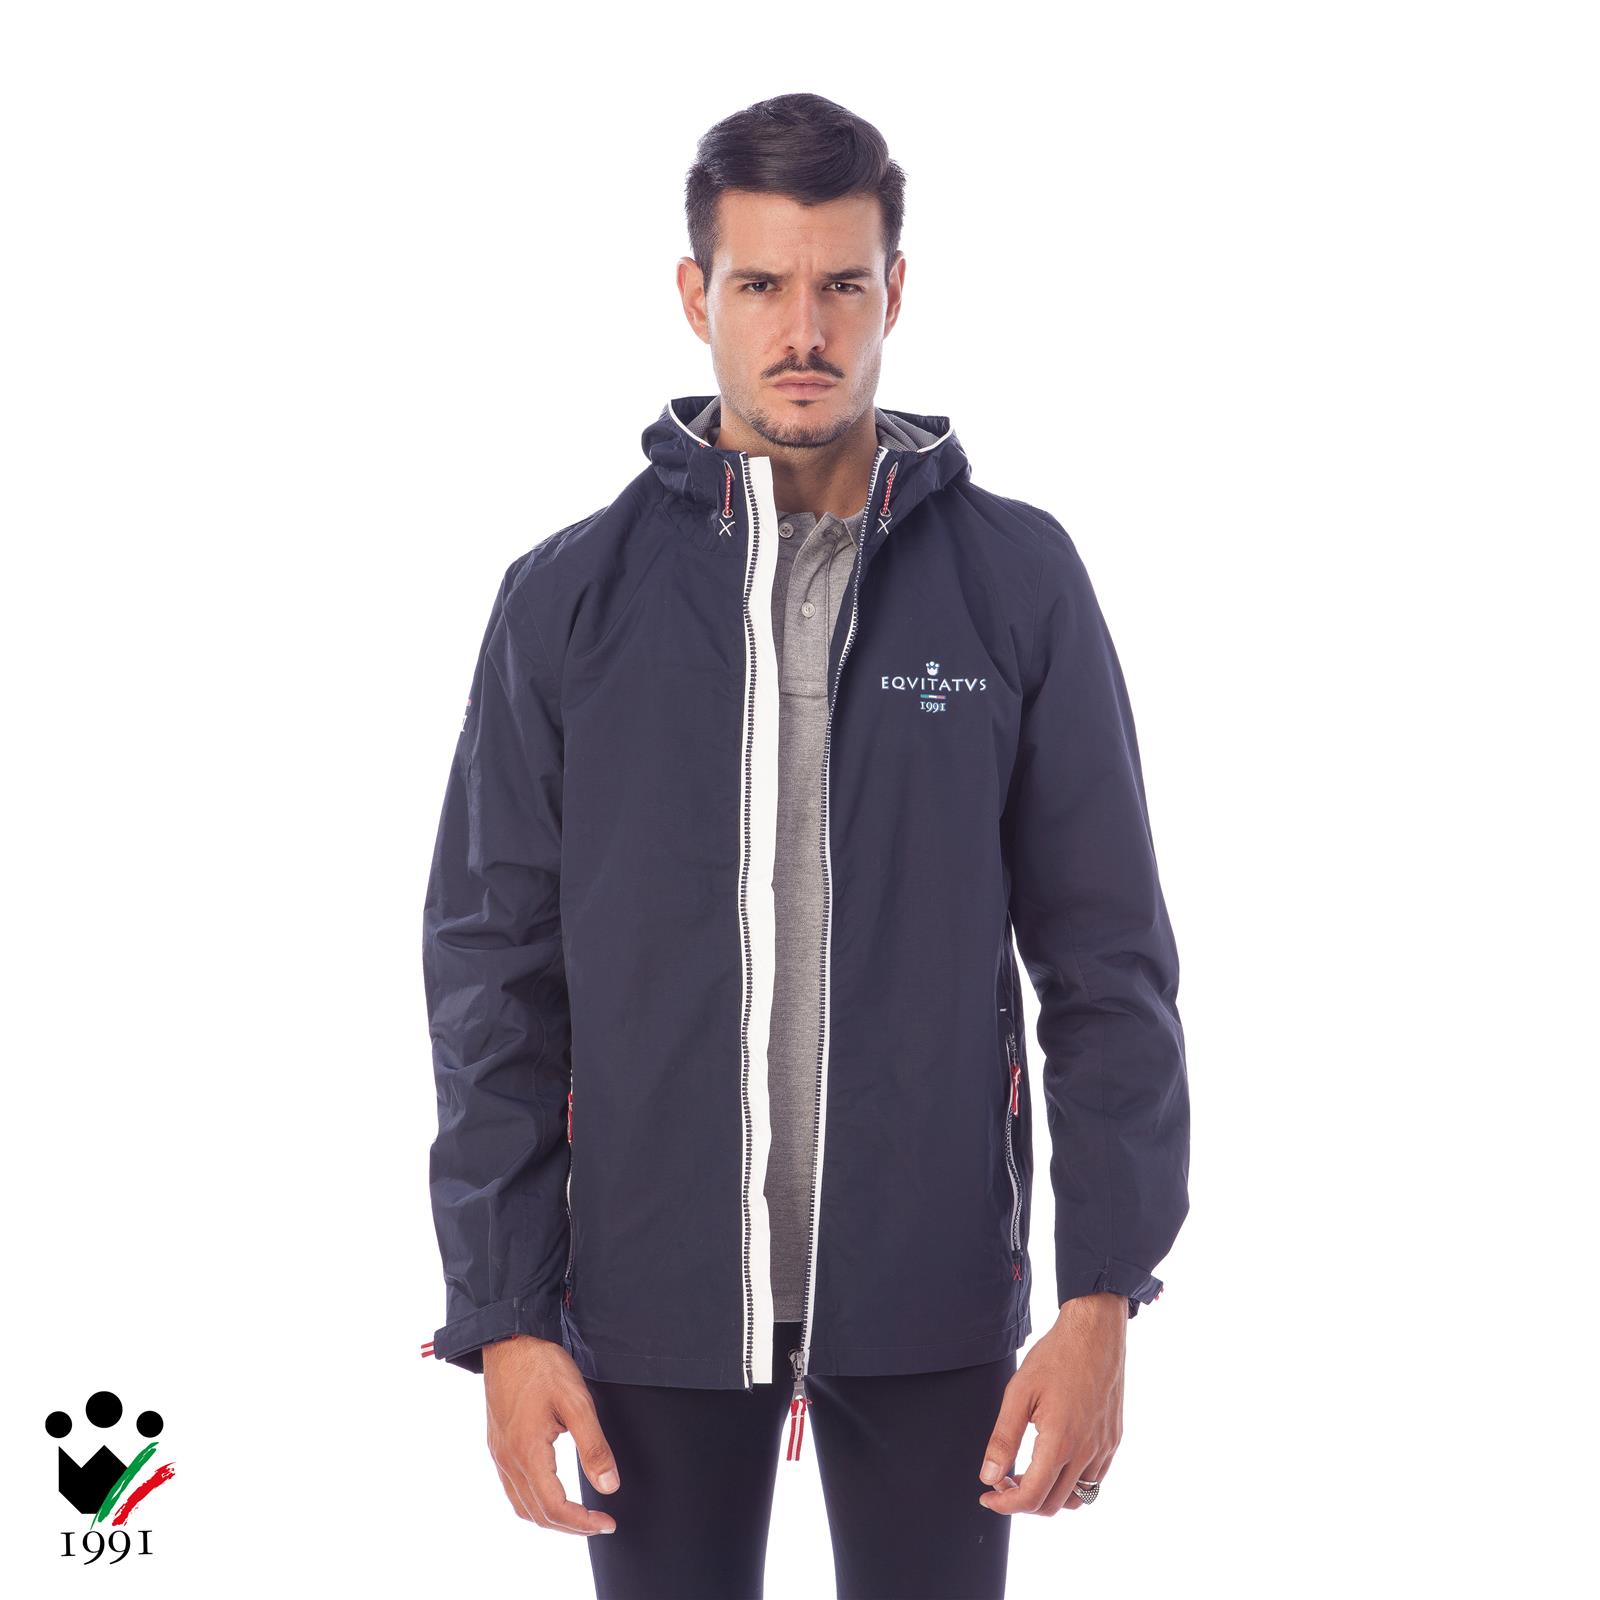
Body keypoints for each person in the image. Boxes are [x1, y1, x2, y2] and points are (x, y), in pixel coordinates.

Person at [420, 92, 1190, 1600]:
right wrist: (502, 1316)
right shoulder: (566, 602)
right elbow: (492, 981)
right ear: (695, 293)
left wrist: (1103, 1292)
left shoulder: (1015, 580)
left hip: (931, 1296)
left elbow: (1108, 963)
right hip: (648, 1298)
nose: (805, 331)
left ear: (894, 290)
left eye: (842, 283)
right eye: (762, 284)